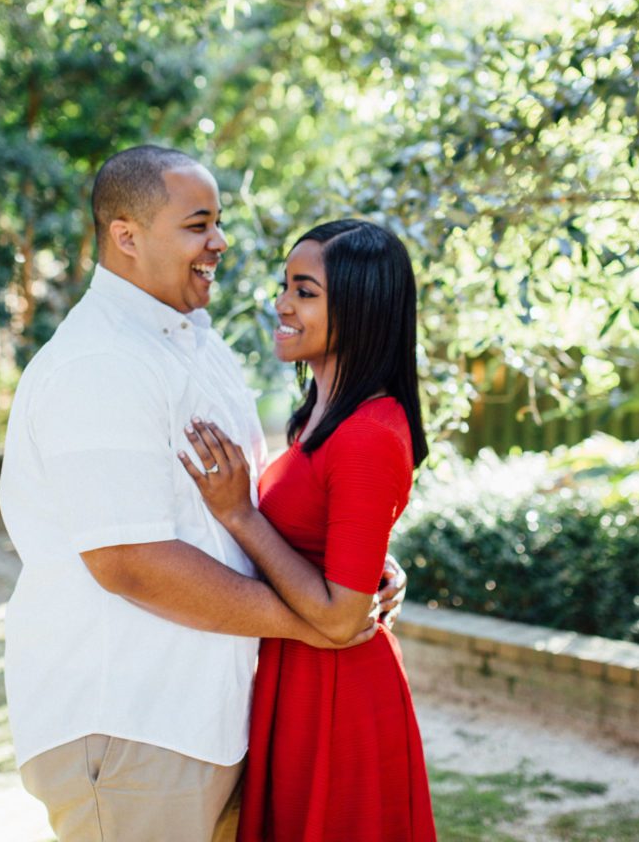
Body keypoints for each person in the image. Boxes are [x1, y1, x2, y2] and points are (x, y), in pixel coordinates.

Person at [0, 148, 404, 842]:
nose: (219, 242)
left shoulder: (195, 348)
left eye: (218, 222)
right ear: (127, 236)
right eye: (198, 225)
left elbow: (240, 505)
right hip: (132, 725)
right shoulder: (101, 363)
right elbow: (130, 561)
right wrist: (320, 621)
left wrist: (347, 570)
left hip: (210, 720)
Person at [178, 219, 438, 842]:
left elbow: (342, 617)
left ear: (361, 308)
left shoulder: (366, 433)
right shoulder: (322, 416)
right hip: (298, 679)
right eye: (285, 286)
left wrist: (239, 513)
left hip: (339, 693)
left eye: (305, 292)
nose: (282, 304)